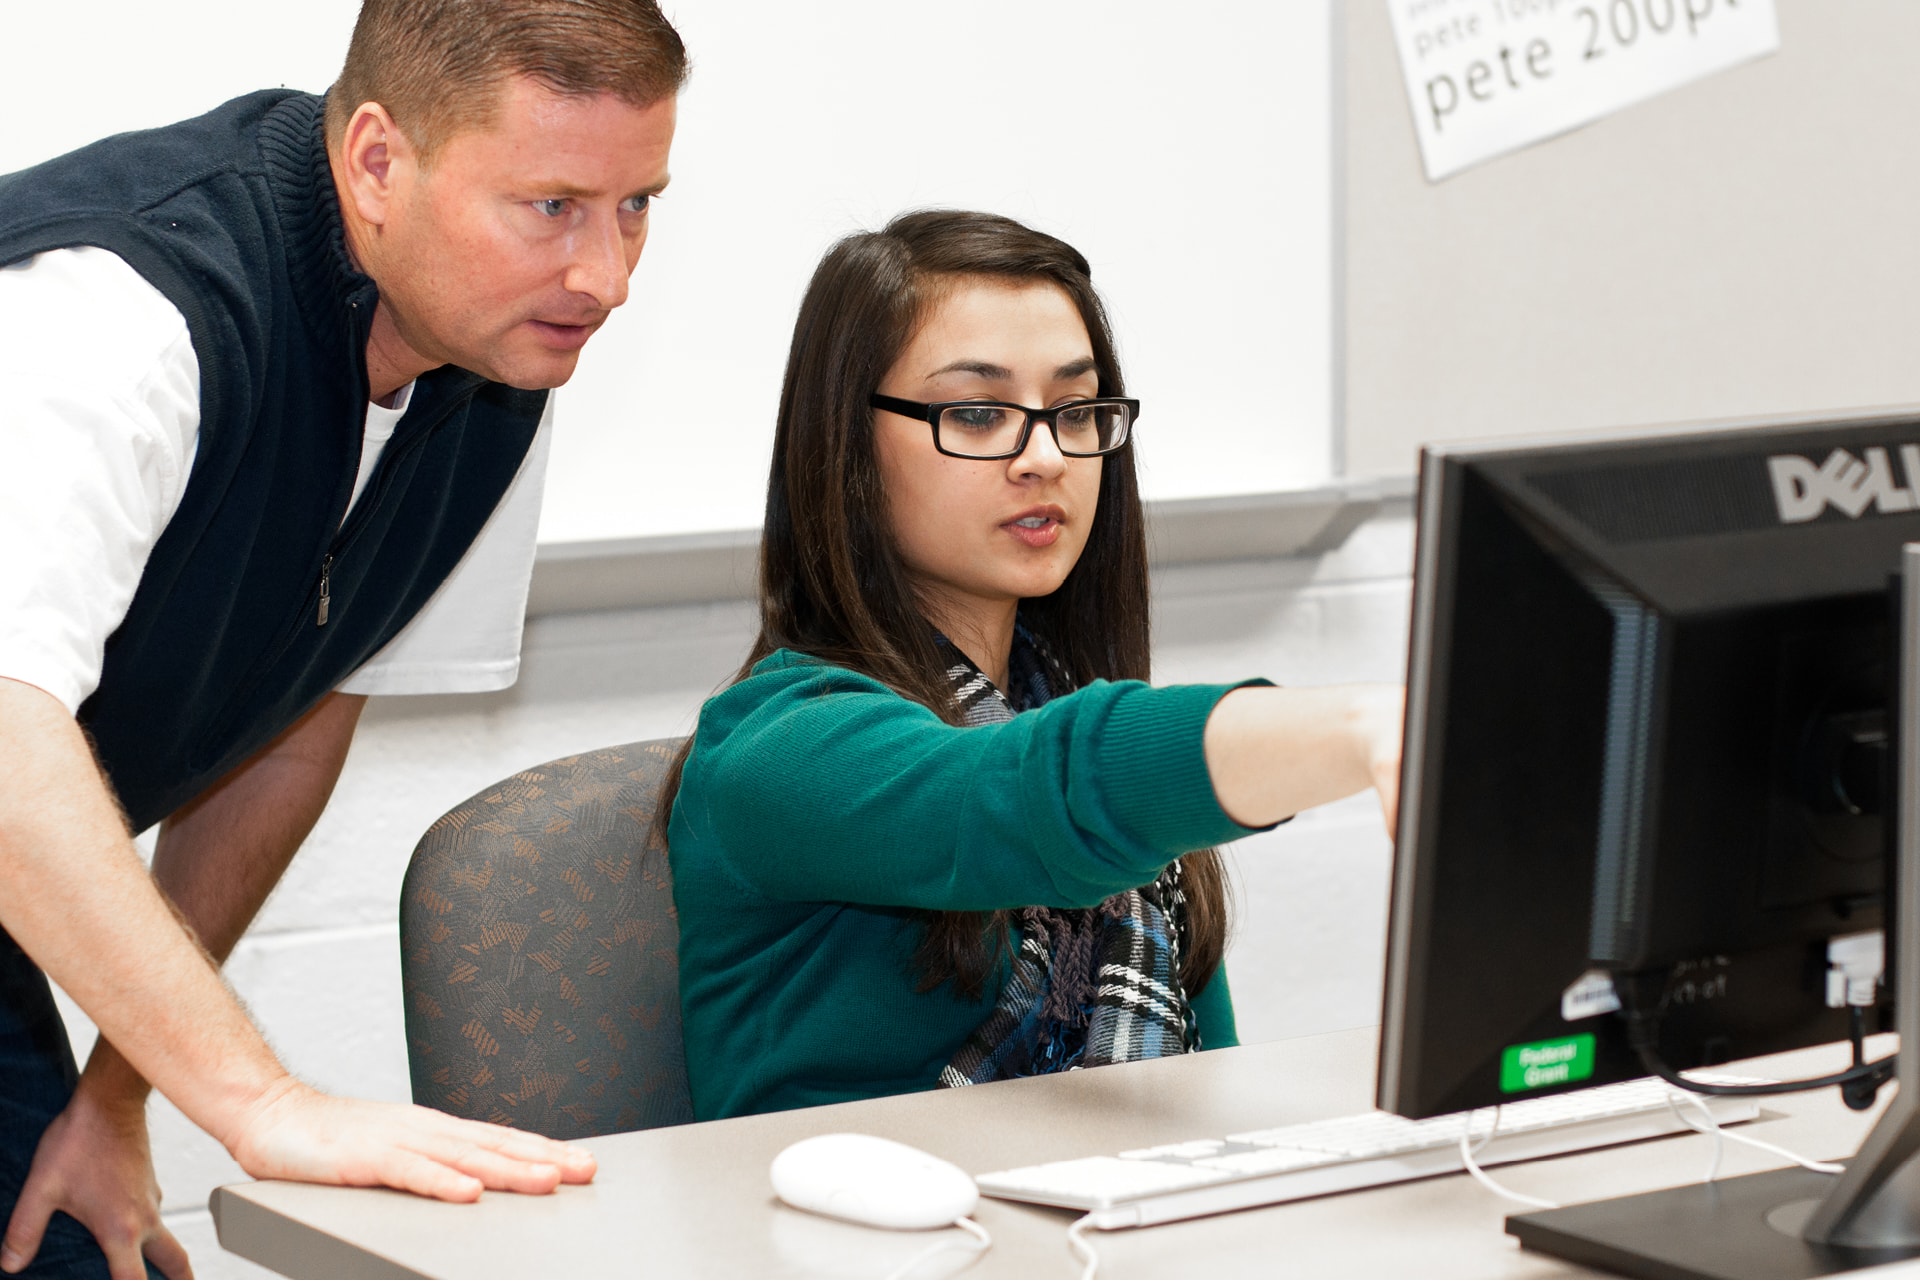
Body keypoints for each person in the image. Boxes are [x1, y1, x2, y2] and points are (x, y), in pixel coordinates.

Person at [0, 1, 686, 1275]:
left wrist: (119, 1093)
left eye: (636, 203)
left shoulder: (496, 372)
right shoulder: (124, 314)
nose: (606, 275)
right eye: (552, 207)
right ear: (378, 161)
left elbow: (292, 725)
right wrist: (259, 1101)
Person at [660, 210, 1404, 1121]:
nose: (1046, 457)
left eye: (1076, 410)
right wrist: (1362, 726)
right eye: (978, 413)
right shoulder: (777, 747)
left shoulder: (1081, 726)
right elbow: (1025, 795)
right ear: (846, 445)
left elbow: (1199, 1091)